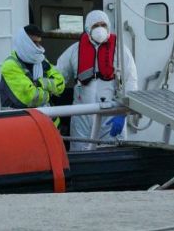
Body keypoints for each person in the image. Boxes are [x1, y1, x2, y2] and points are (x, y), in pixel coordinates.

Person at [57, 11, 138, 151]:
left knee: (114, 151)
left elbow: (131, 81)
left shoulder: (121, 50)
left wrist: (123, 112)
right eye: (96, 25)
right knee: (80, 150)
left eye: (103, 25)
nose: (100, 28)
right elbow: (58, 75)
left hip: (112, 112)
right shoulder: (74, 50)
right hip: (82, 114)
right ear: (88, 28)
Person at [0, 25, 65, 118]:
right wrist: (50, 94)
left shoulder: (41, 60)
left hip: (47, 122)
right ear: (24, 42)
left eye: (39, 43)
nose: (38, 47)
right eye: (34, 43)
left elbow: (60, 83)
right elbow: (31, 98)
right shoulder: (10, 65)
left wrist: (40, 83)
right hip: (19, 124)